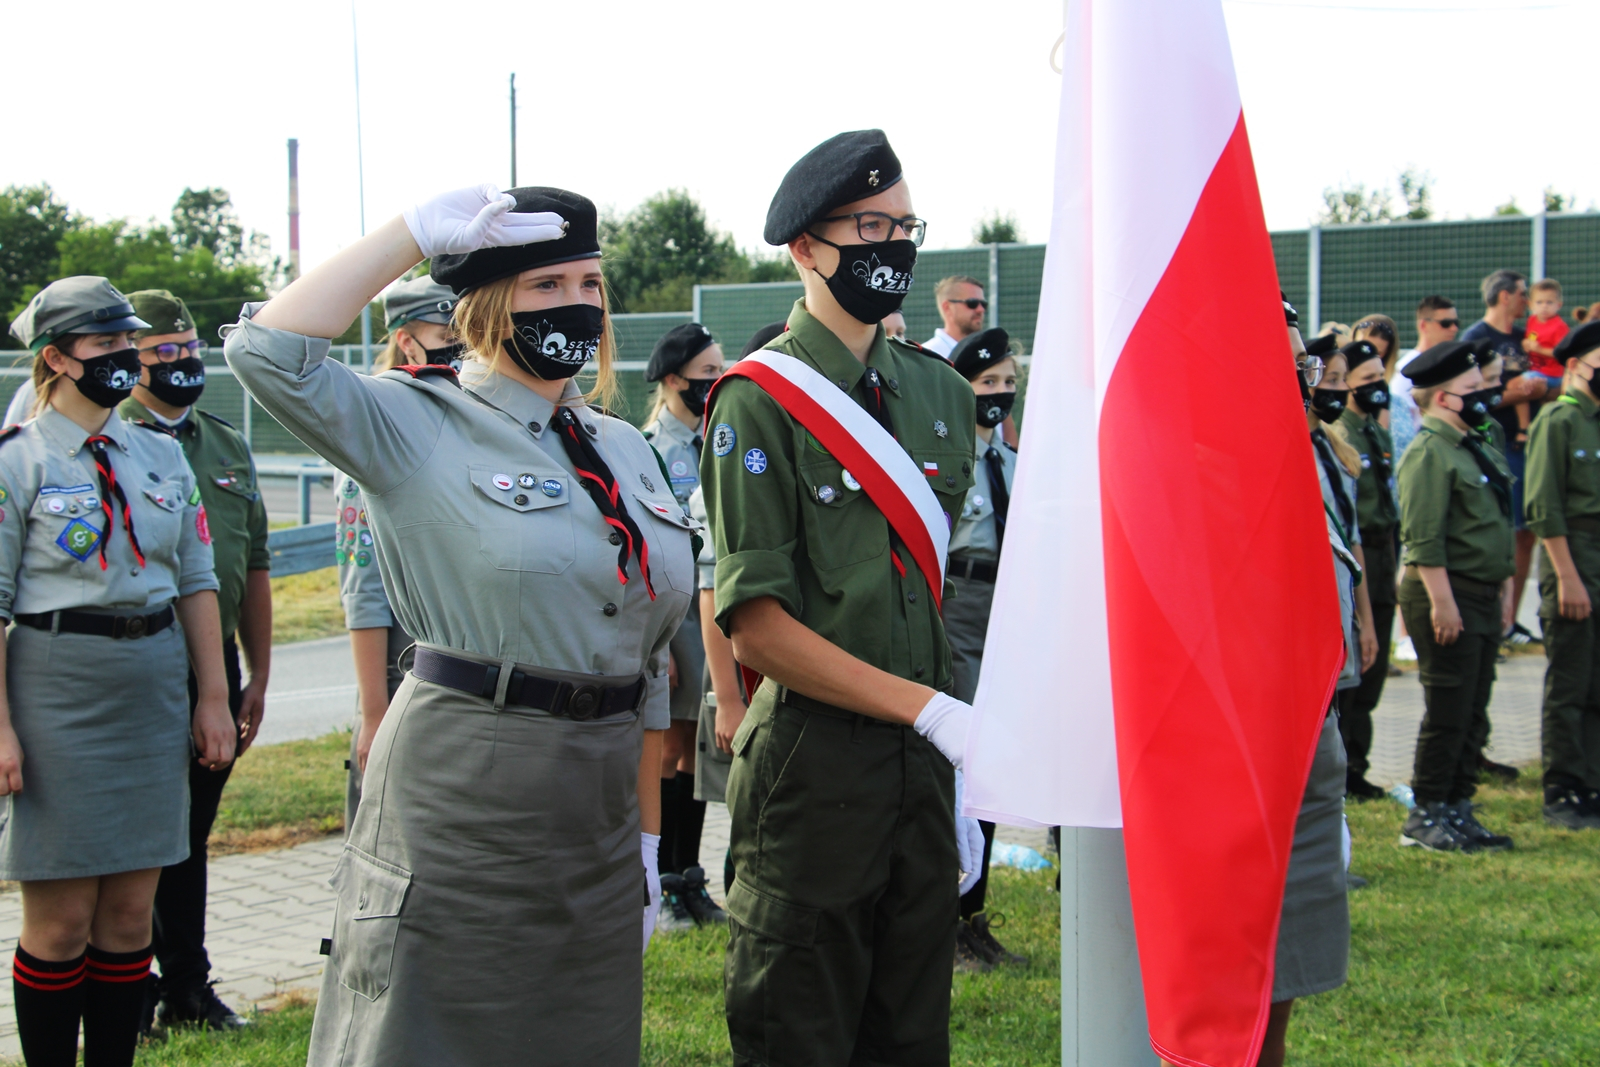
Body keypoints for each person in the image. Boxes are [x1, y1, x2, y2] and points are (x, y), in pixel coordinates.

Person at [224, 184, 696, 1066]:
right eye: (546, 284)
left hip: (598, 805)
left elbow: (650, 659)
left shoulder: (623, 447)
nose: (577, 304)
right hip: (465, 789)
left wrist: (644, 840)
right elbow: (267, 353)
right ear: (484, 305)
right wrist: (409, 234)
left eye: (590, 283)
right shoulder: (415, 420)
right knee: (432, 1037)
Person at [702, 130, 979, 1066]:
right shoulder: (758, 399)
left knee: (911, 1036)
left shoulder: (941, 395)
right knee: (800, 1035)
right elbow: (757, 629)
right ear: (806, 247)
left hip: (923, 768)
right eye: (869, 226)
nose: (892, 245)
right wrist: (929, 708)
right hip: (814, 770)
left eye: (905, 226)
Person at [1, 276, 235, 1067]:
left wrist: (212, 697)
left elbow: (196, 578)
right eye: (104, 344)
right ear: (56, 358)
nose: (124, 356)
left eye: (126, 342)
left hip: (153, 684)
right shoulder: (19, 460)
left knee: (131, 916)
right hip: (56, 690)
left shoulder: (161, 454)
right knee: (62, 919)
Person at [111, 290, 272, 1033]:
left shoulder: (223, 442)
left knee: (188, 835)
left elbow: (253, 562)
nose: (182, 362)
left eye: (189, 348)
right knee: (136, 836)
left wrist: (257, 674)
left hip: (215, 667)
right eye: (164, 352)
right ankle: (128, 986)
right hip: (137, 662)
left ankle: (186, 987)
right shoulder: (112, 439)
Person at [1241, 304, 1353, 1067]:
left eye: (1299, 366)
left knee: (1286, 955)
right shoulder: (1201, 457)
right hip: (1240, 738)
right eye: (1275, 367)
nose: (1298, 383)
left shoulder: (1300, 450)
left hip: (1309, 727)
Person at [337, 276, 461, 827]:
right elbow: (364, 592)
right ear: (408, 343)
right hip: (403, 673)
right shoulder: (375, 436)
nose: (463, 348)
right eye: (448, 336)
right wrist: (372, 713)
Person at [1395, 340, 1517, 852]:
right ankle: (1425, 814)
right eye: (1473, 388)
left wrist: (1505, 590)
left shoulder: (1470, 445)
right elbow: (1424, 540)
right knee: (1448, 710)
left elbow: (1495, 524)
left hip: (1480, 592)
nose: (1484, 394)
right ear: (1444, 398)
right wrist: (1443, 604)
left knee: (1473, 709)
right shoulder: (1429, 454)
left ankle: (1458, 805)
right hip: (1448, 594)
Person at [691, 322, 786, 900]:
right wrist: (727, 699)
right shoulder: (731, 464)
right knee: (754, 815)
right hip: (754, 675)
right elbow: (713, 594)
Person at [943, 326, 1026, 973]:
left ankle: (974, 913)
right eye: (987, 383)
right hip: (961, 605)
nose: (999, 394)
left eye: (1007, 383)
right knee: (963, 762)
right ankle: (946, 919)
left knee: (995, 764)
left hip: (1010, 607)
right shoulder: (948, 460)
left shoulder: (1013, 461)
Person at [640, 321, 724, 929]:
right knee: (669, 749)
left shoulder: (718, 437)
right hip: (672, 619)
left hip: (710, 614)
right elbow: (643, 548)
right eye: (706, 374)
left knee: (697, 749)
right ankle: (662, 882)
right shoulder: (648, 448)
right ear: (673, 380)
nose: (716, 383)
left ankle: (691, 876)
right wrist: (659, 640)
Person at [1524, 321, 1600, 830]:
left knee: (1596, 680)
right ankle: (1562, 787)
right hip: (1574, 557)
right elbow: (1543, 507)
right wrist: (1567, 576)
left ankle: (1591, 779)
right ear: (1573, 366)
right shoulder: (1559, 420)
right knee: (1570, 681)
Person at [1461, 270, 1544, 648]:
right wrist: (1517, 393)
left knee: (1526, 533)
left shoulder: (1524, 338)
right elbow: (1472, 397)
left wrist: (1539, 388)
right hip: (1497, 442)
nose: (1528, 301)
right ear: (1505, 296)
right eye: (1524, 294)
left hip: (1529, 443)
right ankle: (1494, 618)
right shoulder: (1477, 338)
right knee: (1504, 530)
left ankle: (1510, 620)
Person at [1336, 340, 1398, 800]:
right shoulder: (1343, 434)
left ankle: (1359, 761)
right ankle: (1345, 766)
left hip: (1383, 550)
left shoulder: (1376, 432)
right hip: (1358, 552)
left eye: (1381, 377)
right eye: (1368, 379)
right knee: (1357, 660)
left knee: (1375, 665)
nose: (1378, 386)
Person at [922, 275, 986, 358]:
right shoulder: (927, 355)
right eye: (972, 303)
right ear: (947, 307)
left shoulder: (985, 353)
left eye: (983, 304)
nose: (981, 309)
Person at [1523, 279, 1569, 391]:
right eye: (1539, 302)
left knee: (1523, 381)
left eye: (1549, 302)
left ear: (1559, 305)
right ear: (1530, 305)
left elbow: (1561, 353)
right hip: (1534, 369)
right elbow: (1531, 338)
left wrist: (1539, 349)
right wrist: (1526, 344)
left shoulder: (1559, 326)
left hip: (1553, 375)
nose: (1544, 306)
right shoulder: (1531, 320)